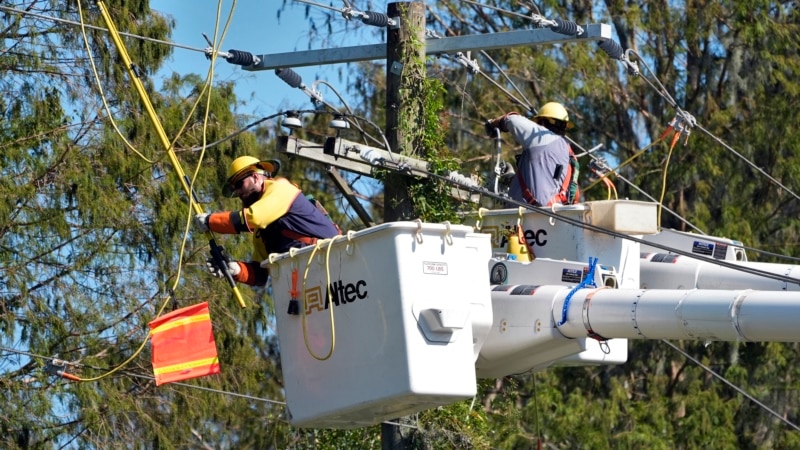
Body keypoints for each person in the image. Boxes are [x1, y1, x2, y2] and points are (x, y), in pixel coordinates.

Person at [194, 156, 341, 286]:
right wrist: (235, 269)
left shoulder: (281, 189)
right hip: (307, 280)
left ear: (256, 177)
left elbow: (253, 217)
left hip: (336, 263)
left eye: (239, 184)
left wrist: (210, 221)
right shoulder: (262, 231)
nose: (238, 193)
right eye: (234, 189)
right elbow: (261, 273)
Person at [485, 102, 580, 207]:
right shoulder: (568, 153)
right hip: (554, 217)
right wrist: (511, 178)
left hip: (529, 217)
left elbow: (512, 120)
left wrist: (494, 123)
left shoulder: (542, 137)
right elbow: (546, 184)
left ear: (542, 123)